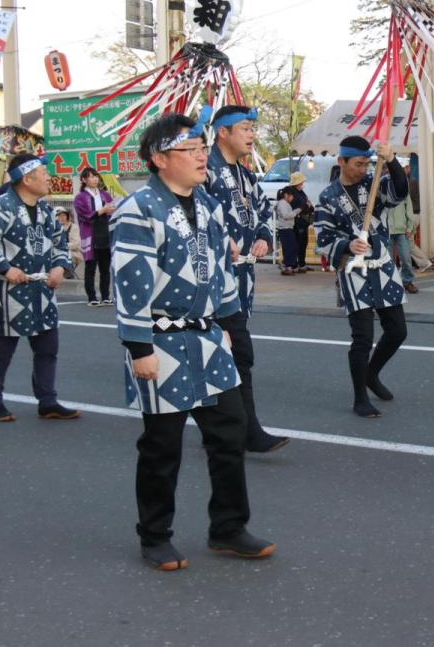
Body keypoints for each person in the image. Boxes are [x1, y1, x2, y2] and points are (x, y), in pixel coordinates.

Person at [111, 114, 276, 571]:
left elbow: (220, 271)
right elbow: (130, 283)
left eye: (202, 147)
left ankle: (228, 527)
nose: (202, 155)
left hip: (207, 336)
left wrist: (226, 320)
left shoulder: (207, 205)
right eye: (190, 149)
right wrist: (138, 348)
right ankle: (154, 536)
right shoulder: (138, 208)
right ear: (160, 159)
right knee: (162, 446)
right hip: (160, 341)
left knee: (229, 432)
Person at [0, 152, 79, 423]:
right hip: (10, 292)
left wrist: (59, 267)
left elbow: (59, 243)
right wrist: (5, 268)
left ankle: (48, 401)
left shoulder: (46, 211)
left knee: (48, 347)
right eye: (44, 173)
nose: (49, 177)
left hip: (42, 290)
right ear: (27, 179)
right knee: (3, 350)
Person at [203, 105, 289, 454]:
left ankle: (220, 428)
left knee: (224, 355)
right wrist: (220, 237)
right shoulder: (204, 170)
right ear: (222, 132)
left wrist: (265, 237)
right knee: (238, 355)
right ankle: (247, 430)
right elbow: (193, 211)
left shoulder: (247, 174)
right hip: (211, 282)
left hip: (240, 280)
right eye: (244, 128)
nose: (251, 135)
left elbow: (265, 211)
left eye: (252, 128)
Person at [315, 135, 409, 418]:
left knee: (397, 331)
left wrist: (390, 161)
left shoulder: (374, 183)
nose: (363, 169)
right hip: (353, 270)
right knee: (363, 338)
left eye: (367, 163)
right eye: (358, 164)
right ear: (341, 161)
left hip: (382, 266)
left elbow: (400, 192)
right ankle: (359, 398)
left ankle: (371, 374)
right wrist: (346, 245)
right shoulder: (328, 197)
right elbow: (323, 238)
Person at [74, 168, 115, 306]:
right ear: (84, 180)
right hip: (91, 235)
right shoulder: (80, 197)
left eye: (95, 176)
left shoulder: (105, 194)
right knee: (90, 268)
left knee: (105, 268)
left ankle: (105, 296)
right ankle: (92, 297)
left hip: (105, 233)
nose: (94, 179)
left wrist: (111, 210)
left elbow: (112, 210)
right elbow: (84, 215)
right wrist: (102, 211)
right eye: (90, 177)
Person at [385, 167, 420, 294]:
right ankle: (390, 283)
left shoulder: (403, 191)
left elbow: (409, 209)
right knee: (388, 260)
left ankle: (407, 282)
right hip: (386, 230)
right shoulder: (383, 191)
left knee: (406, 258)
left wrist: (410, 227)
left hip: (402, 230)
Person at [274, 185, 301, 276]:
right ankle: (287, 266)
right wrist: (296, 211)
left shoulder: (284, 203)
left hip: (288, 228)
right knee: (289, 247)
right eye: (292, 196)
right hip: (284, 229)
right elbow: (286, 215)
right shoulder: (282, 203)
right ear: (286, 195)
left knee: (292, 246)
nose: (293, 198)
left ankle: (291, 265)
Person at [289, 171, 313, 273]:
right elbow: (297, 206)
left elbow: (306, 203)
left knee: (303, 243)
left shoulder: (300, 192)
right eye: (301, 182)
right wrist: (306, 205)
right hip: (297, 222)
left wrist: (309, 206)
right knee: (297, 243)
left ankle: (301, 263)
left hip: (303, 221)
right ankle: (295, 264)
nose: (302, 184)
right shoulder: (292, 193)